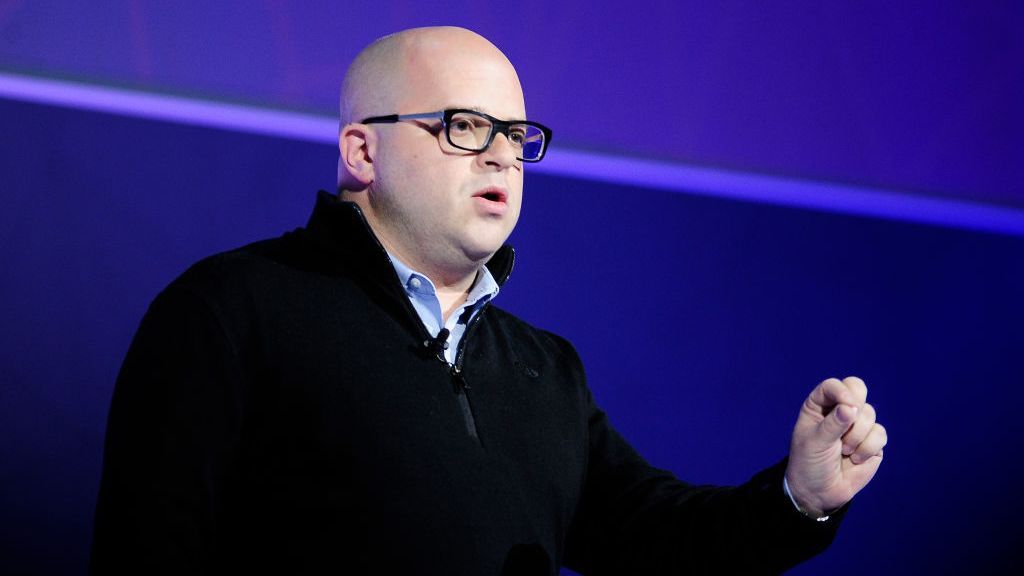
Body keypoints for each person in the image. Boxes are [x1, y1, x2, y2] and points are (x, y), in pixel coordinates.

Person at [90, 26, 887, 575]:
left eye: (517, 135)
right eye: (466, 126)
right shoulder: (231, 312)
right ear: (362, 151)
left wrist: (797, 500)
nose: (503, 155)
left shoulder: (544, 369)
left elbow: (658, 544)